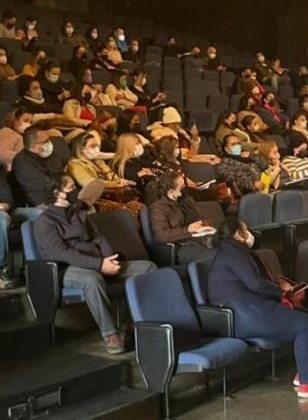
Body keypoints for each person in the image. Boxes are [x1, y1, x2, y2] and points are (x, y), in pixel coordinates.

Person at [208, 217, 308, 397]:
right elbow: (255, 284)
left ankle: (307, 373)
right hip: (244, 313)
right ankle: (307, 384)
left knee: (305, 317)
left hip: (248, 309)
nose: (250, 233)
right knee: (303, 323)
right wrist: (280, 289)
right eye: (246, 229)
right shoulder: (233, 252)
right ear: (238, 234)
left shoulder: (231, 250)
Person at [34, 175, 156, 353]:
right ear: (57, 193)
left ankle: (132, 325)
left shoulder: (79, 212)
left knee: (148, 268)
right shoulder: (45, 222)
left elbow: (98, 238)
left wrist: (109, 259)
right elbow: (62, 253)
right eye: (70, 188)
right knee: (91, 279)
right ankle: (110, 334)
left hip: (99, 261)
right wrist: (99, 265)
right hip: (68, 268)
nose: (75, 190)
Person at [148, 171, 217, 265]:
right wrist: (188, 230)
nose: (184, 188)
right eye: (181, 187)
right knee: (216, 257)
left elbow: (203, 216)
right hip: (181, 246)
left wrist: (200, 223)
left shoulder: (185, 199)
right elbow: (161, 235)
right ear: (171, 191)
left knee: (226, 250)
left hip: (197, 239)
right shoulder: (158, 208)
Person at [12, 127, 67, 207]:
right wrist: (61, 185)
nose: (49, 143)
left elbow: (61, 173)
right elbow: (44, 185)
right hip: (40, 202)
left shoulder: (51, 154)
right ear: (34, 146)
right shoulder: (21, 162)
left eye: (49, 140)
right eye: (45, 142)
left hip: (59, 192)